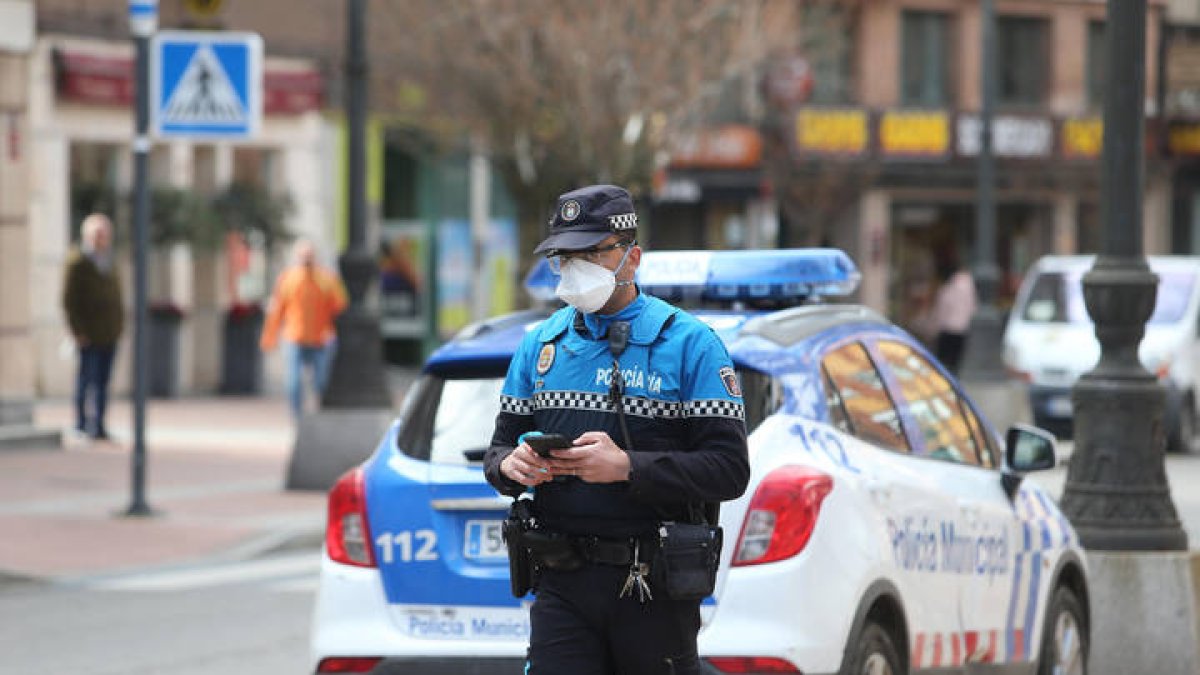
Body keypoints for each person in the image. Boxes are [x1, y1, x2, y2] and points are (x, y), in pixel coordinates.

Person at [484, 184, 750, 675]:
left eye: (590, 253)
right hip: (561, 579)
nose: (575, 268)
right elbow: (499, 448)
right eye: (565, 256)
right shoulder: (540, 345)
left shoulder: (691, 344)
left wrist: (627, 467)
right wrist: (510, 464)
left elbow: (729, 470)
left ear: (631, 258)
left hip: (652, 583)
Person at [260, 239, 348, 417]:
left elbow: (340, 305)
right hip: (294, 338)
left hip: (320, 339)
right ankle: (297, 416)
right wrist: (269, 336)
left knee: (321, 382)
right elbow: (278, 310)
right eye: (303, 256)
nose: (306, 260)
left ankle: (318, 413)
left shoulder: (326, 279)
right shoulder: (288, 279)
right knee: (293, 382)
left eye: (309, 256)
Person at [63, 213, 124, 440]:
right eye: (98, 234)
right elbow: (69, 300)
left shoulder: (110, 260)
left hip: (110, 333)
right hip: (87, 334)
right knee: (85, 380)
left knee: (103, 382)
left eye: (105, 234)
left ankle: (98, 425)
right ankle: (80, 423)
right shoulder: (78, 261)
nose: (102, 238)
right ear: (87, 236)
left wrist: (119, 327)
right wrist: (77, 330)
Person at [932, 250, 977, 375]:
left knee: (944, 359)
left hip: (948, 327)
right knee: (956, 359)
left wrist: (937, 325)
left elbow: (943, 307)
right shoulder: (970, 286)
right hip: (963, 327)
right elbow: (972, 307)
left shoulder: (949, 287)